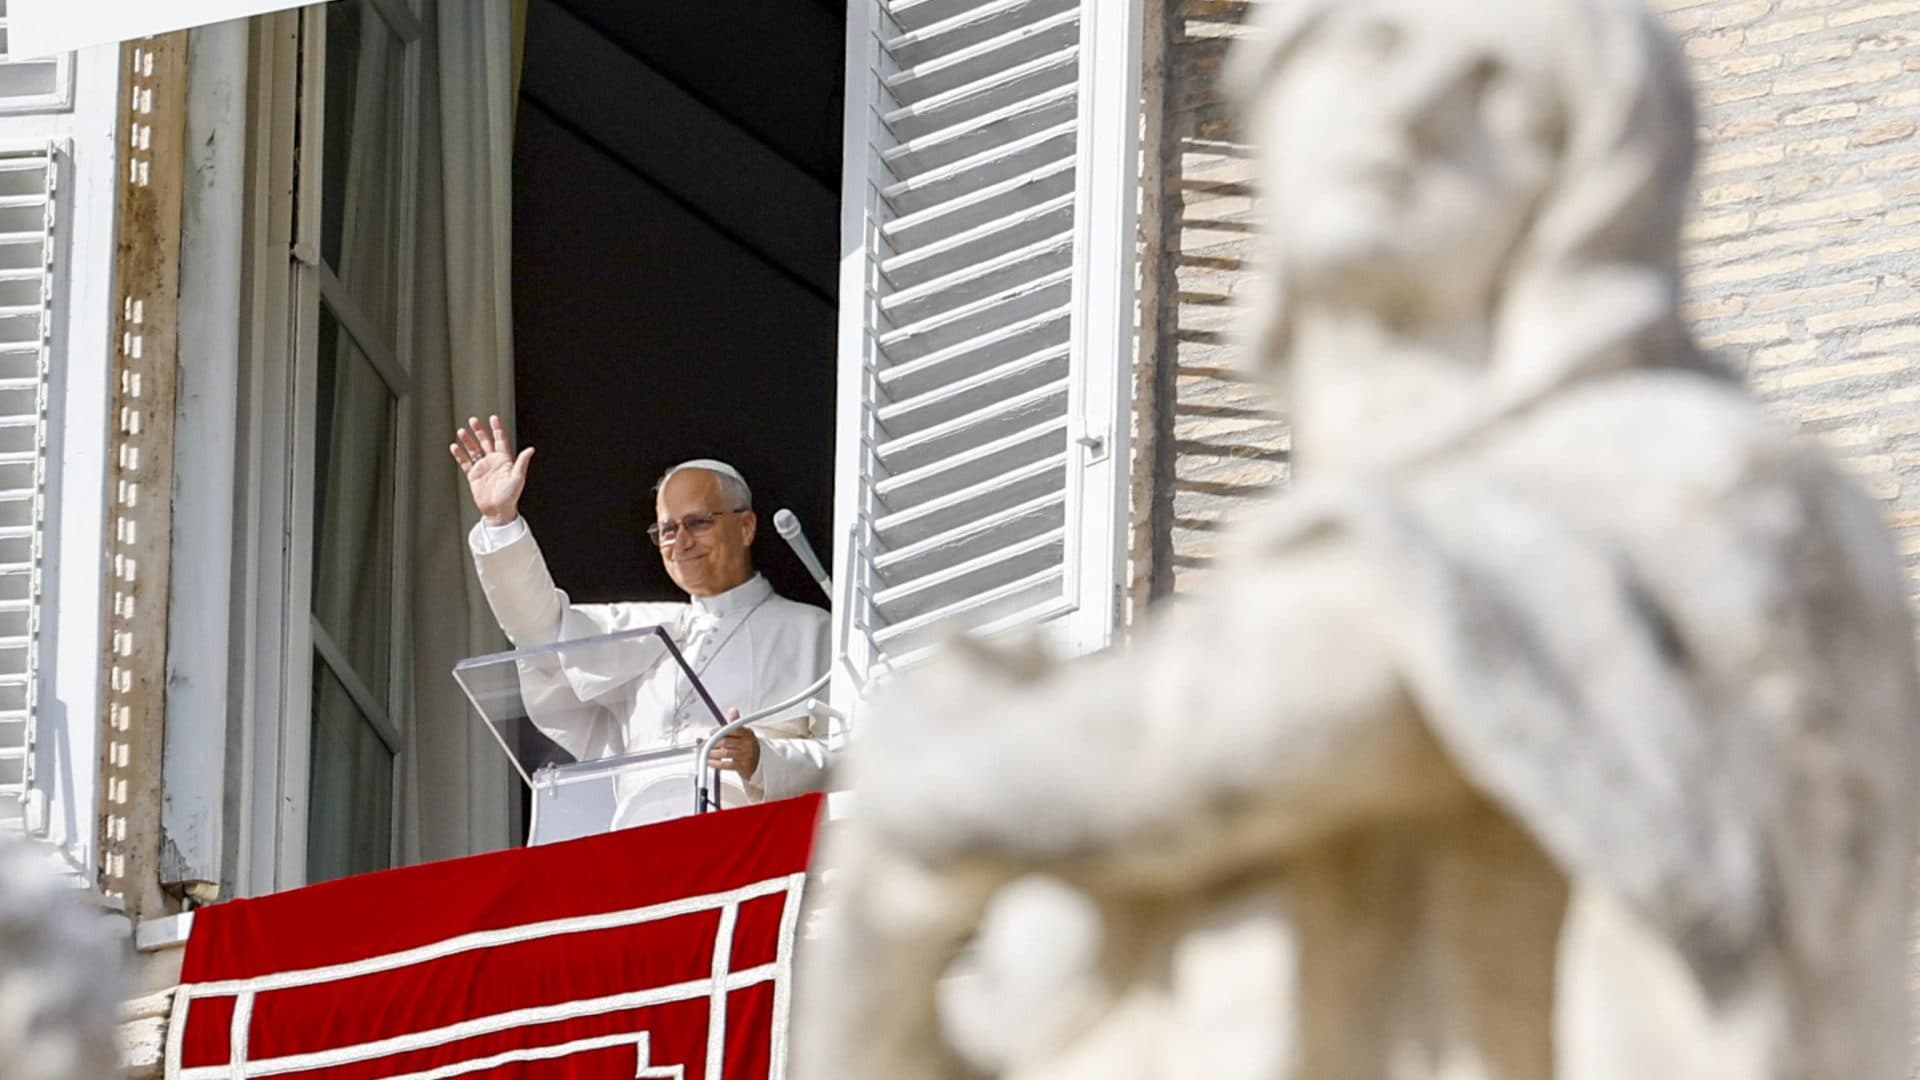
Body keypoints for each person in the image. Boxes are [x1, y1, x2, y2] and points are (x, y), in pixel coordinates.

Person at [797, 0, 1920, 1077]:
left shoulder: (1686, 478)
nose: (1417, 106)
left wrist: (934, 784)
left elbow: (1257, 720)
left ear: (1591, 188)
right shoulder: (1269, 601)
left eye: (1506, 95)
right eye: (1375, 42)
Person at [449, 416, 829, 825]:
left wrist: (761, 759)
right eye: (667, 530)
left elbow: (853, 759)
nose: (680, 542)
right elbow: (541, 632)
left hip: (753, 848)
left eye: (699, 522)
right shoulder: (648, 629)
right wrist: (501, 522)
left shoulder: (811, 631)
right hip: (637, 849)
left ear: (746, 525)